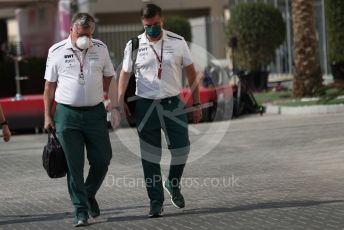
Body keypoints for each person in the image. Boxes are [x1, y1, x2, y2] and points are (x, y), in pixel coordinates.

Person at [118, 4, 202, 218]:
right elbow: (125, 75)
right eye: (148, 26)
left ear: (162, 21)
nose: (152, 29)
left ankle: (172, 184)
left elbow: (192, 75)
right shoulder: (134, 45)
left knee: (182, 148)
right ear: (142, 24)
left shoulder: (177, 41)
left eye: (156, 24)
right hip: (145, 105)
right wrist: (119, 103)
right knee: (150, 156)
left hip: (173, 103)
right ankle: (155, 202)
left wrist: (197, 103)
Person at [43, 13, 120, 227]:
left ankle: (87, 193)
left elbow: (110, 79)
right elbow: (49, 87)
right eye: (81, 34)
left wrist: (115, 108)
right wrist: (48, 116)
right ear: (71, 31)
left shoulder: (100, 48)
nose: (85, 38)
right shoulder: (56, 51)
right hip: (67, 115)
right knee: (74, 166)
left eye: (89, 34)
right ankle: (80, 211)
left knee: (103, 159)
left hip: (95, 113)